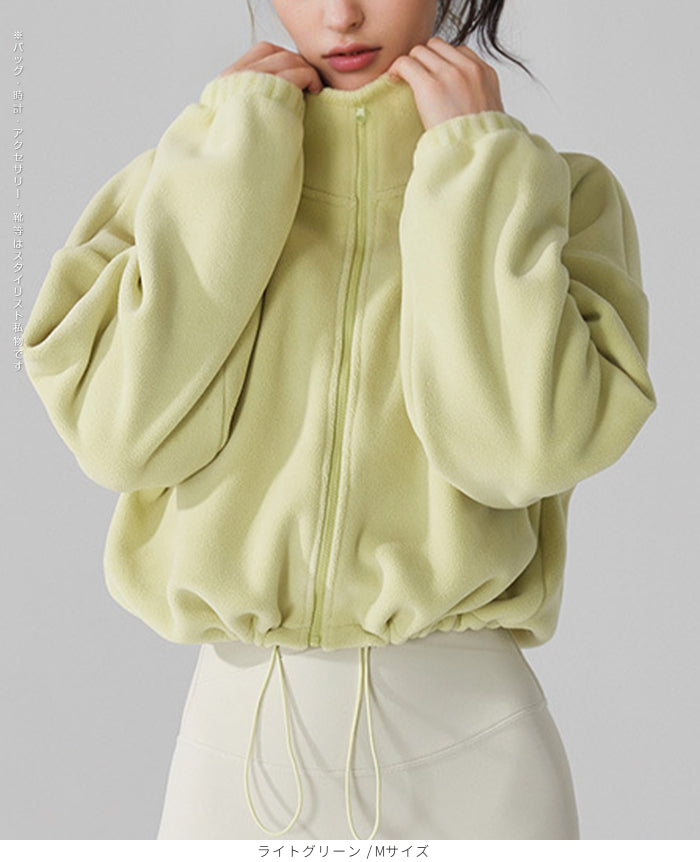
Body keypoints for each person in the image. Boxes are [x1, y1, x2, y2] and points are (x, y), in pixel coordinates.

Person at [23, 0, 657, 841]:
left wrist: (473, 165)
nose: (341, 14)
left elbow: (520, 451)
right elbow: (120, 437)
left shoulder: (558, 195)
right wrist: (231, 166)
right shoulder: (184, 175)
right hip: (240, 756)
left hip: (476, 755)